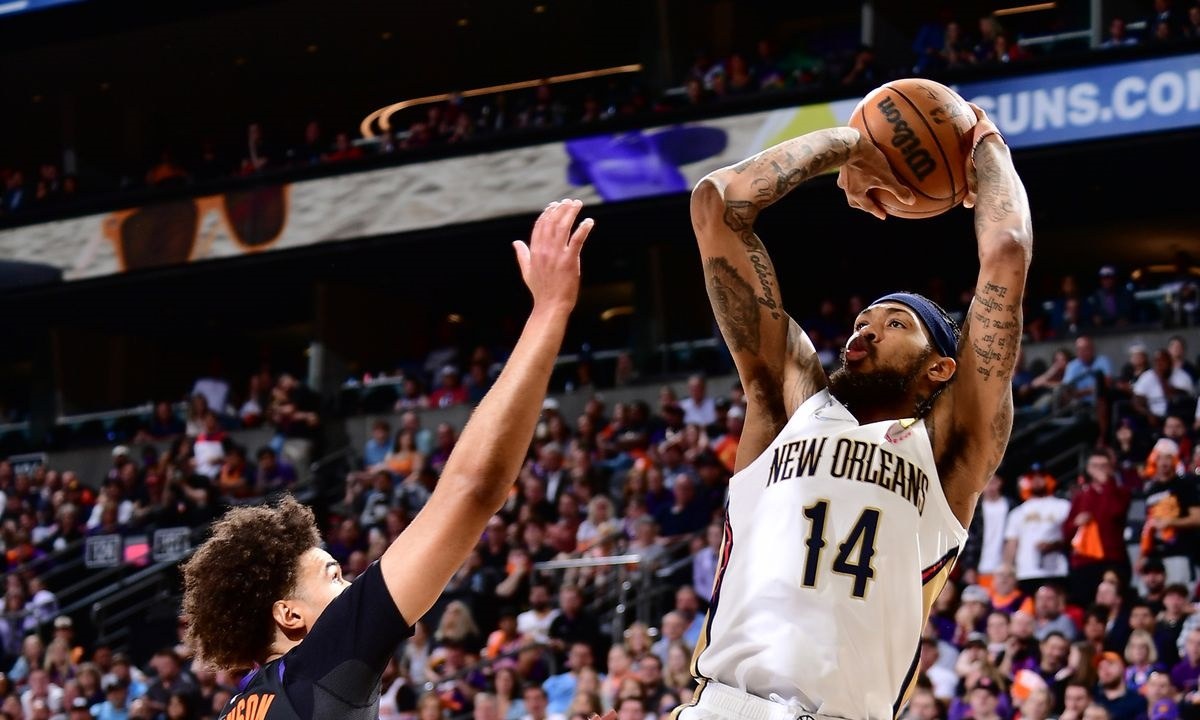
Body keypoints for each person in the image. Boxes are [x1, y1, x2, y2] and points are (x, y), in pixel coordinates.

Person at [680, 102, 1031, 720]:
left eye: (896, 324)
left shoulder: (949, 449)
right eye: (863, 320)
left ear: (940, 368)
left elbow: (1006, 250)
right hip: (723, 708)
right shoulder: (787, 405)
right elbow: (716, 207)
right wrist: (850, 144)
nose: (865, 330)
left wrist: (985, 144)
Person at [180, 199, 595, 720]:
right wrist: (550, 310)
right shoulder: (321, 662)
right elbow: (473, 489)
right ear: (290, 615)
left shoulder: (241, 707)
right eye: (334, 576)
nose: (353, 585)